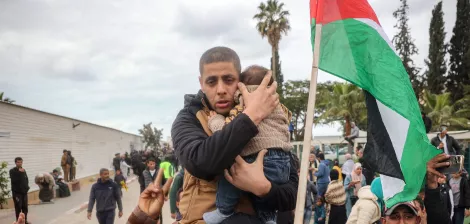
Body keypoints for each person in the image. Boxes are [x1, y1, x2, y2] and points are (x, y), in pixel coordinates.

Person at [170, 46, 298, 224]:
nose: (221, 89)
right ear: (201, 83)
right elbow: (201, 163)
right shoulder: (189, 118)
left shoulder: (270, 116)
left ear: (241, 81)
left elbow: (292, 192)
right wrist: (252, 116)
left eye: (228, 80)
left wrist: (264, 188)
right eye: (212, 82)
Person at [203, 65, 292, 224]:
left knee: (229, 175)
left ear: (241, 86)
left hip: (259, 157)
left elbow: (228, 131)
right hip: (283, 161)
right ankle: (269, 219)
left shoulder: (245, 100)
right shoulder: (279, 107)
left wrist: (215, 121)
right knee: (267, 202)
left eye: (231, 82)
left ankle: (223, 210)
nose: (222, 90)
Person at [9, 157, 30, 224]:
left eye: (21, 162)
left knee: (25, 207)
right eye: (18, 162)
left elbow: (26, 179)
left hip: (24, 192)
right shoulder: (12, 171)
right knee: (18, 207)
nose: (19, 163)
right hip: (17, 193)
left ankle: (25, 221)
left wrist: (27, 187)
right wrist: (20, 173)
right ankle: (19, 222)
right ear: (15, 163)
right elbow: (14, 180)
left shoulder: (23, 170)